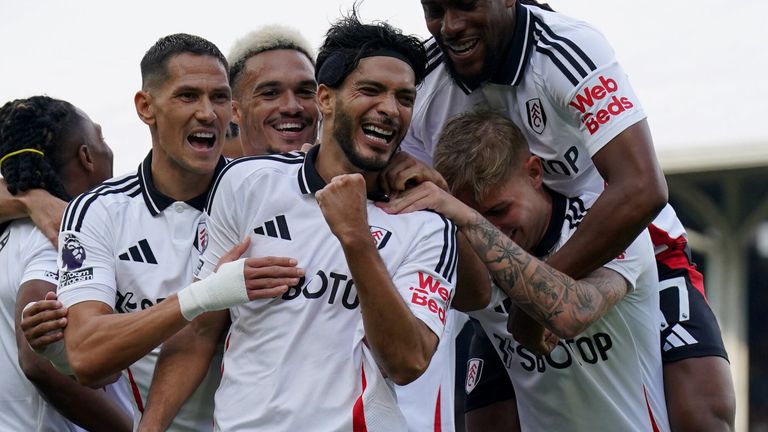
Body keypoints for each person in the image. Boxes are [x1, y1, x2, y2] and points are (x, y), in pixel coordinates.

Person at [404, 1, 735, 430]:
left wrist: (537, 298)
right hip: (498, 263)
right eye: (434, 9)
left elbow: (642, 187)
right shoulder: (421, 78)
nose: (449, 25)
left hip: (624, 246)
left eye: (466, 4)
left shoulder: (566, 48)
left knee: (701, 417)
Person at [138, 13, 457, 431]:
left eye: (404, 97)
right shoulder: (247, 182)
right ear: (325, 99)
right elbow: (201, 331)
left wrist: (356, 239)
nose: (389, 109)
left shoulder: (427, 223)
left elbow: (407, 362)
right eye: (371, 90)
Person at [49, 33, 302, 430]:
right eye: (188, 96)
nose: (207, 113)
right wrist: (204, 295)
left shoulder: (267, 196)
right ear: (145, 107)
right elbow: (86, 355)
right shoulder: (98, 211)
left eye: (219, 98)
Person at [383, 110, 670, 431]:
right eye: (476, 215)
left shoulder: (599, 225)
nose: (492, 230)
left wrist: (467, 218)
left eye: (499, 210)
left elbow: (572, 311)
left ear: (534, 173)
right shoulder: (470, 255)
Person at [0, 96, 132, 431]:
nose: (108, 149)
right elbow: (37, 361)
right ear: (87, 156)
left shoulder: (11, 230)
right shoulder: (58, 237)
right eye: (100, 138)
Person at [226, 24, 319, 157]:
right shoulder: (220, 177)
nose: (292, 107)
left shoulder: (353, 175)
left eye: (305, 92)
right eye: (271, 93)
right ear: (234, 111)